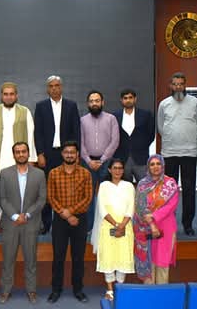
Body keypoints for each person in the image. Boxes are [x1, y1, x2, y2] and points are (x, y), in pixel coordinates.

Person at [156, 72, 197, 236]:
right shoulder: (164, 104)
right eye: (175, 84)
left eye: (181, 84)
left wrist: (189, 138)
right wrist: (171, 138)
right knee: (169, 191)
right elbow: (160, 126)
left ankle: (188, 224)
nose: (178, 87)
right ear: (171, 86)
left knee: (189, 190)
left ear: (185, 85)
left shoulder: (195, 102)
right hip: (169, 152)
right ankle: (168, 222)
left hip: (189, 152)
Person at [0, 142, 46, 304]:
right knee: (8, 260)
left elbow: (41, 199)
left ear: (28, 153)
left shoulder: (39, 174)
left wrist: (27, 214)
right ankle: (5, 290)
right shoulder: (5, 173)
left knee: (31, 259)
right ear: (14, 155)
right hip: (10, 223)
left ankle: (31, 290)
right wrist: (14, 216)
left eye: (23, 151)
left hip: (31, 223)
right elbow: (2, 199)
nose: (21, 154)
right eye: (17, 152)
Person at [47, 141, 93, 303]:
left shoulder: (85, 174)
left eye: (72, 152)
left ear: (77, 154)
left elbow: (88, 198)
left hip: (79, 220)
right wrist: (66, 214)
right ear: (62, 154)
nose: (69, 155)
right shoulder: (53, 173)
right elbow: (51, 197)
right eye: (66, 152)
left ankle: (78, 289)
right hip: (60, 220)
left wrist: (71, 212)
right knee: (58, 256)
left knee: (78, 257)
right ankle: (56, 289)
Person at [34, 75, 80, 233]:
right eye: (51, 86)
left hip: (67, 154)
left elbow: (76, 130)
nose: (54, 88)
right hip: (47, 155)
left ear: (61, 87)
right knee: (47, 189)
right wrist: (40, 153)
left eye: (57, 85)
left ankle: (66, 220)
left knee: (68, 188)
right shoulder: (41, 106)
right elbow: (38, 132)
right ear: (48, 89)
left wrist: (76, 153)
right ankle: (46, 224)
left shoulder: (71, 106)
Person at [92, 158, 135, 300]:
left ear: (123, 170)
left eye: (120, 168)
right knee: (108, 256)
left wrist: (122, 225)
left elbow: (131, 207)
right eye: (115, 168)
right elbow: (102, 208)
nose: (117, 171)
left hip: (125, 226)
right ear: (109, 170)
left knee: (123, 255)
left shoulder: (129, 186)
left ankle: (120, 287)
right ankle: (110, 289)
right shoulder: (104, 186)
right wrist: (116, 225)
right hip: (108, 225)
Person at [133, 155, 179, 284]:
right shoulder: (142, 184)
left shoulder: (170, 183)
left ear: (163, 166)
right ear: (148, 167)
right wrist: (150, 222)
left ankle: (162, 293)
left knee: (162, 262)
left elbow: (171, 205)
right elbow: (139, 207)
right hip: (145, 228)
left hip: (165, 227)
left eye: (158, 163)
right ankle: (150, 293)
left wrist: (154, 216)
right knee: (148, 261)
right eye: (152, 164)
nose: (155, 167)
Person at [0, 82, 37, 176]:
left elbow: (31, 137)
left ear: (16, 96)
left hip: (18, 157)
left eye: (11, 94)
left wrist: (31, 159)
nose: (8, 97)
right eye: (5, 94)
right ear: (1, 96)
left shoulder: (25, 111)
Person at [80, 90, 119, 224]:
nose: (94, 103)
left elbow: (115, 141)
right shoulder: (82, 120)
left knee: (106, 194)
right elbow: (80, 143)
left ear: (102, 102)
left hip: (106, 162)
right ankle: (90, 226)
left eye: (97, 101)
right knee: (88, 196)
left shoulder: (111, 119)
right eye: (91, 101)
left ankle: (107, 224)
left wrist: (102, 160)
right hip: (87, 163)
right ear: (88, 104)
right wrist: (89, 161)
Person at [113, 89, 155, 183]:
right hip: (122, 158)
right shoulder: (115, 116)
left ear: (135, 99)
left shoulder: (146, 115)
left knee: (145, 186)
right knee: (125, 188)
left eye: (130, 98)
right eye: (125, 98)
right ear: (121, 100)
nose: (128, 100)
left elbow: (151, 134)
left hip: (141, 158)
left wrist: (141, 145)